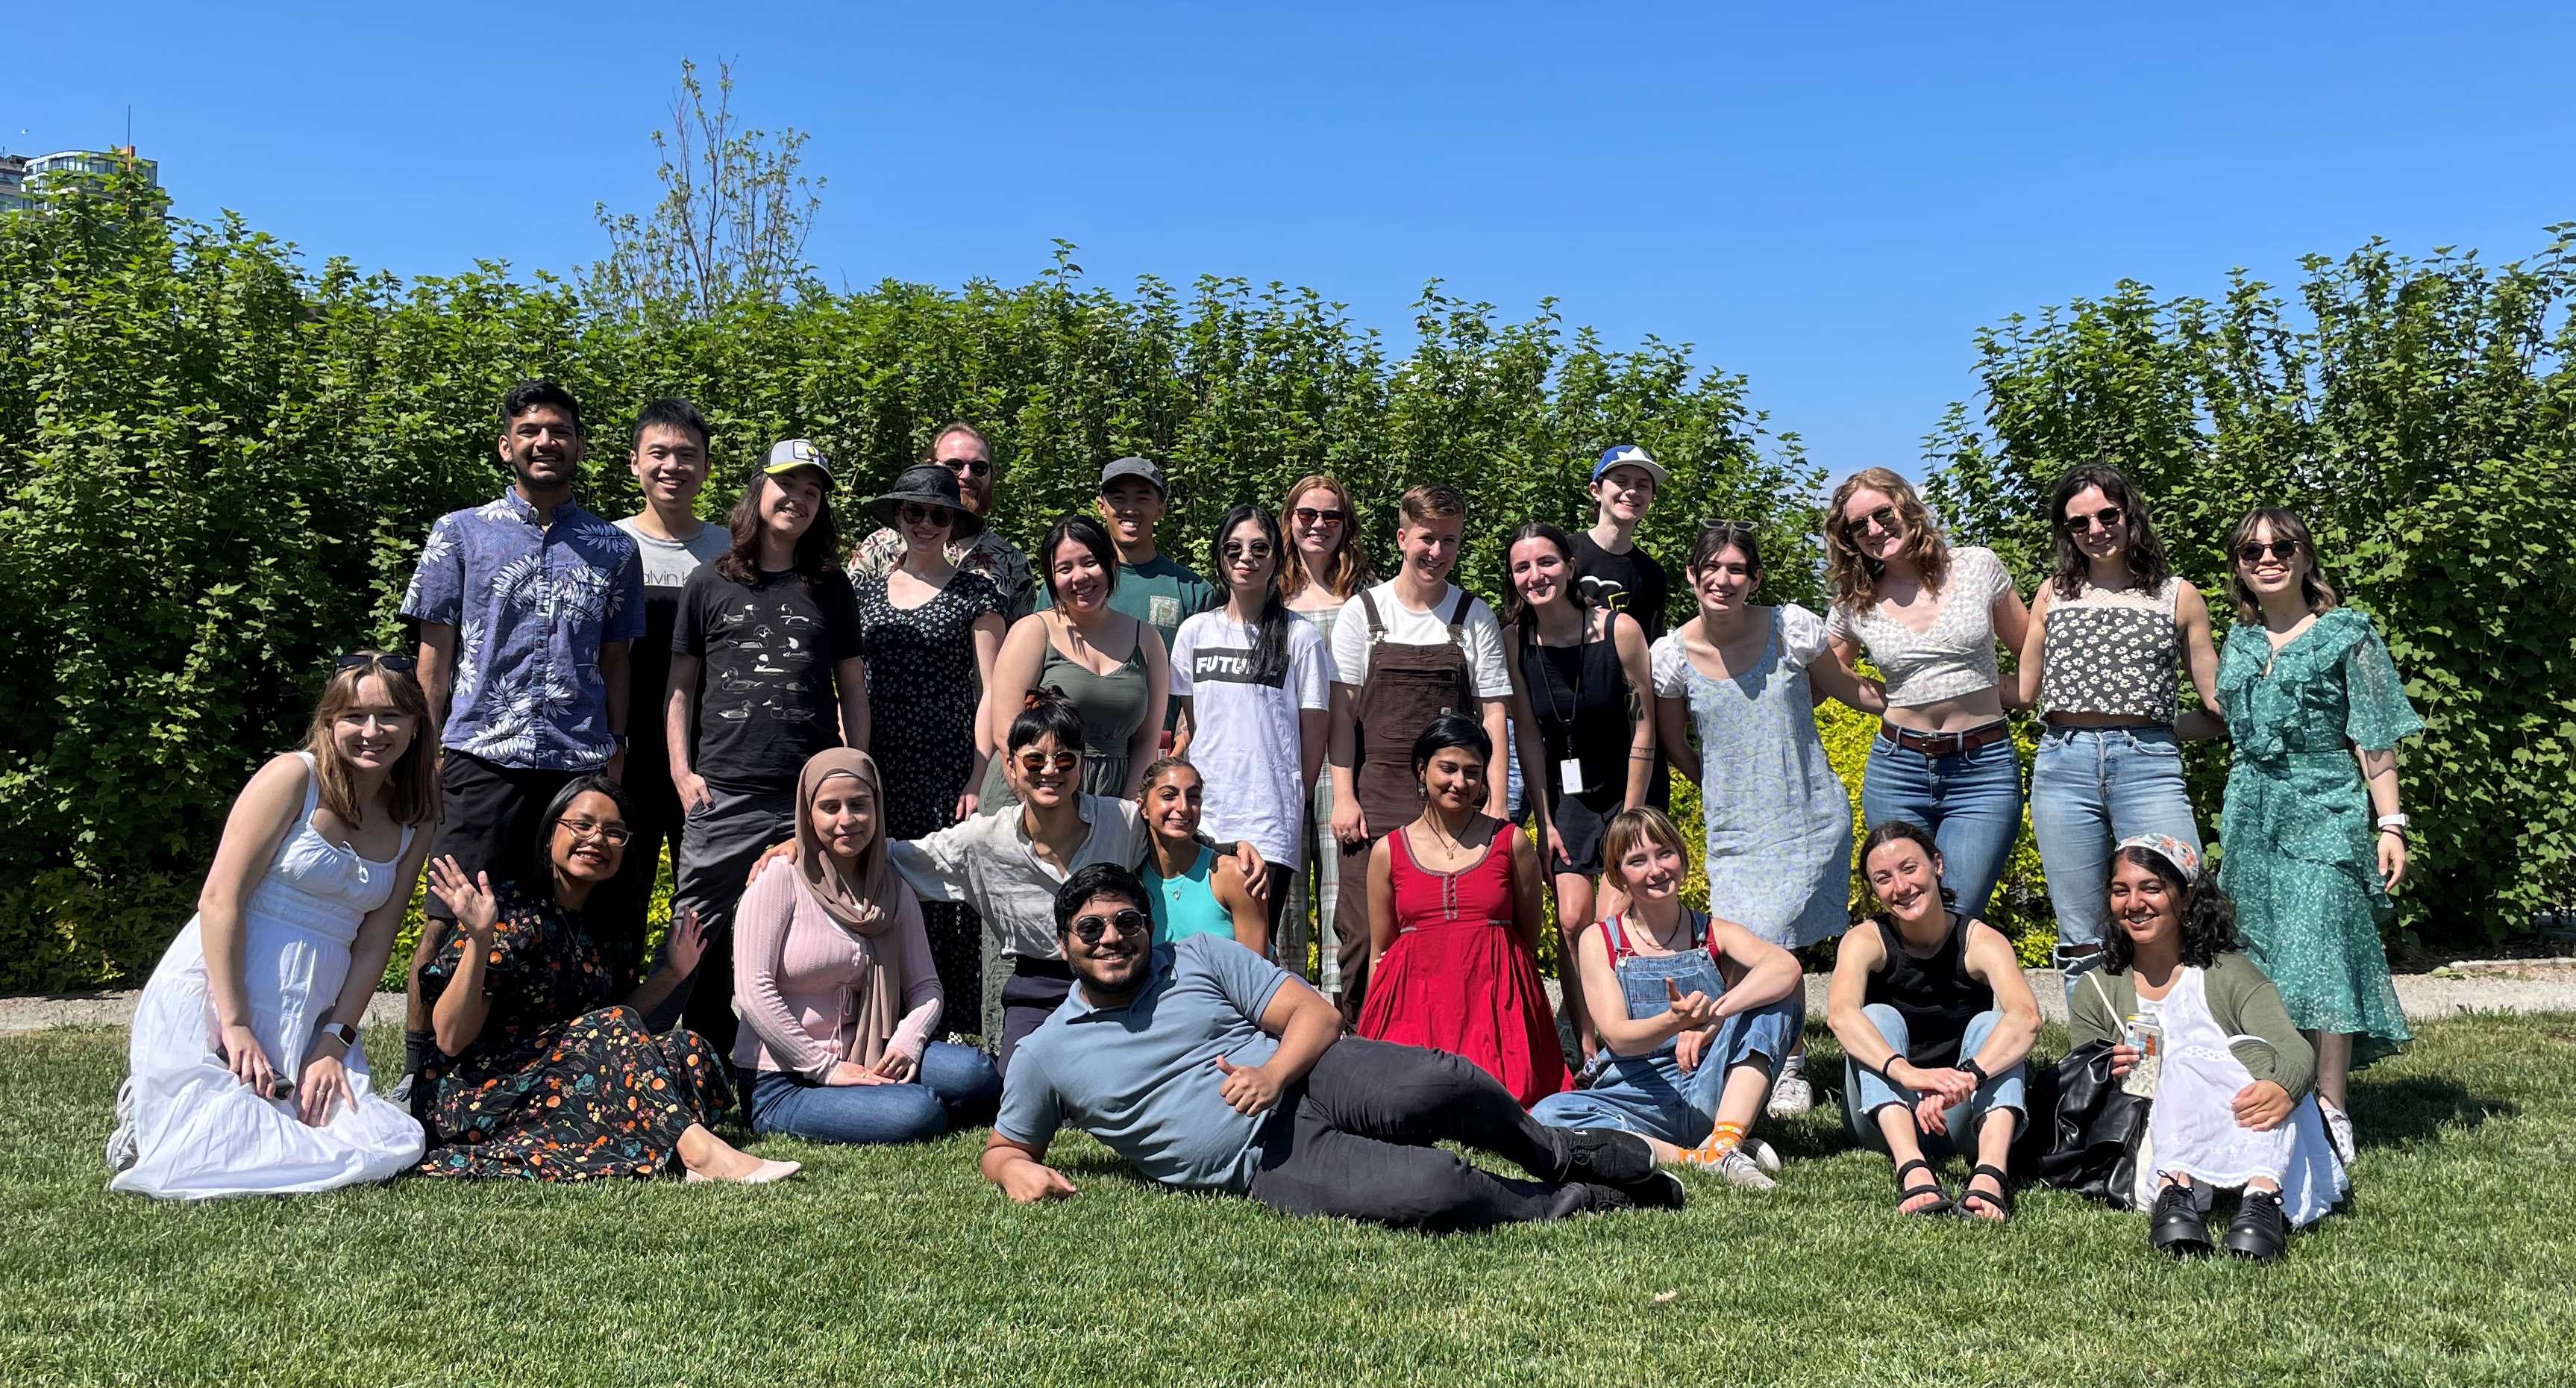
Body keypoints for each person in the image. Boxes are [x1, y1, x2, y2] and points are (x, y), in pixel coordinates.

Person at [980, 863, 1687, 1228]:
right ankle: (1565, 1202)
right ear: (1064, 943)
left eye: (1126, 920)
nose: (1111, 938)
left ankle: (1559, 1150)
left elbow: (1314, 1014)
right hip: (1261, 1160)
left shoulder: (1194, 955)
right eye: (1090, 929)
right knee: (1430, 1188)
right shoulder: (1047, 1052)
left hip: (1317, 1072)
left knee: (1440, 1083)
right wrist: (1015, 1172)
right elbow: (1005, 1147)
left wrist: (1272, 1073)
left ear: (1147, 924)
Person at [397, 380, 644, 1105]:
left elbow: (617, 660)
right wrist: (427, 749)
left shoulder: (612, 547)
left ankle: (567, 1073)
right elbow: (433, 658)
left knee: (577, 932)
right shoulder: (459, 533)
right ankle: (421, 1080)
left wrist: (617, 747)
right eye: (530, 430)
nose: (545, 441)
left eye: (560, 431)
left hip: (576, 766)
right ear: (507, 445)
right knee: (446, 925)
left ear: (581, 447)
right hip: (482, 758)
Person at [107, 654, 435, 1198]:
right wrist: (234, 1026)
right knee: (218, 1151)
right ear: (330, 722)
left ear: (415, 724)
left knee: (389, 1140)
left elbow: (377, 937)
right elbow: (220, 899)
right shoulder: (292, 777)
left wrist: (335, 1041)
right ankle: (155, 1106)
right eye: (355, 716)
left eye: (390, 716)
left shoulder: (417, 813)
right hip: (222, 994)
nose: (372, 732)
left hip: (313, 1013)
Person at [415, 777, 795, 1183]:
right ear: (549, 834)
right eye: (581, 825)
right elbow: (450, 1038)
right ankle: (698, 1154)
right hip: (485, 1091)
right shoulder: (507, 911)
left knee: (689, 1049)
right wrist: (479, 939)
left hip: (564, 1079)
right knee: (617, 1029)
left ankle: (651, 1144)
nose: (596, 839)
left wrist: (673, 974)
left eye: (614, 833)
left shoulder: (607, 927)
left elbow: (613, 1030)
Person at [884, 690, 1263, 1071]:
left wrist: (1233, 848)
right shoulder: (981, 841)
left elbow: (1173, 834)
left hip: (1114, 979)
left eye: (1065, 759)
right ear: (1011, 767)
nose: (1050, 771)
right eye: (1035, 759)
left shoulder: (1121, 821)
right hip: (1038, 986)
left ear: (1081, 765)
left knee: (1118, 1080)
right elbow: (897, 861)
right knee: (1023, 1082)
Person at [1651, 521, 1883, 1115]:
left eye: (1735, 569)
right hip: (1735, 832)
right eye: (1711, 567)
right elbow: (1674, 742)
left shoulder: (1792, 629)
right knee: (1741, 950)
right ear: (1691, 575)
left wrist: (1921, 700)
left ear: (1754, 578)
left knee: (1770, 943)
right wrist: (1719, 786)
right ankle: (1758, 1057)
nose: (1722, 579)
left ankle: (1786, 1067)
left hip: (1807, 817)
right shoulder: (1671, 655)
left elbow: (1844, 688)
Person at [2213, 507, 2422, 1164]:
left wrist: (2389, 823)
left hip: (2326, 807)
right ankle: (2277, 1091)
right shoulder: (2238, 641)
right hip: (2249, 814)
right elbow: (2226, 726)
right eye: (2251, 552)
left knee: (2323, 951)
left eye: (2281, 547)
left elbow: (2373, 734)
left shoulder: (2346, 634)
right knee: (2262, 955)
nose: (2266, 558)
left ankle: (2329, 1108)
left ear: (2305, 557)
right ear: (2239, 569)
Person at [665, 439, 870, 1059]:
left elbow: (853, 689)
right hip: (722, 791)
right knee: (691, 936)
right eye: (788, 485)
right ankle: (646, 1058)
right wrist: (681, 771)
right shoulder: (709, 582)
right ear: (759, 491)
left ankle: (798, 1060)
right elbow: (680, 687)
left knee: (814, 931)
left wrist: (854, 777)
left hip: (806, 800)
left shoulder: (830, 588)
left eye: (813, 492)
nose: (799, 500)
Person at [2069, 835, 2346, 1259]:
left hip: (2242, 1111)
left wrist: (2283, 1089)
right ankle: (2175, 1190)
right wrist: (2107, 1068)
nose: (2134, 904)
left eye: (2152, 888)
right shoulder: (2098, 987)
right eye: (2121, 891)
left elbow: (2293, 1051)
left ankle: (2261, 1198)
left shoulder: (2229, 973)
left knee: (2251, 1058)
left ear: (2186, 897)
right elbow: (2077, 1081)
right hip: (2153, 1129)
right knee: (2183, 1060)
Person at [2017, 462, 2224, 998]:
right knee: (2082, 929)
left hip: (2148, 765)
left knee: (2180, 904)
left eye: (2107, 515)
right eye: (2078, 522)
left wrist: (2154, 730)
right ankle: (2096, 1061)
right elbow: (2021, 691)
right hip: (2063, 765)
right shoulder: (2051, 594)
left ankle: (2182, 1051)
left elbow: (2217, 705)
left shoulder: (2178, 595)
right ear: (2065, 532)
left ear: (2129, 515)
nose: (2095, 529)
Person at [731, 749, 1002, 1145]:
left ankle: (885, 1099)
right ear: (807, 814)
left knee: (976, 1074)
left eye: (859, 804)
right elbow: (753, 991)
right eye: (829, 807)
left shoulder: (891, 889)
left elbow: (925, 987)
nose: (846, 820)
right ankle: (891, 1104)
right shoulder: (779, 879)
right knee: (918, 1112)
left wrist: (909, 1040)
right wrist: (825, 1068)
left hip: (871, 1051)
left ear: (877, 808)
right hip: (784, 1081)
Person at [1531, 809, 1804, 1190]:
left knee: (1779, 997)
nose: (1656, 870)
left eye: (1665, 854)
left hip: (1711, 1088)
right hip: (1635, 1096)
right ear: (1617, 875)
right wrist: (1674, 1023)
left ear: (1682, 858)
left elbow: (1786, 967)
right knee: (1548, 1114)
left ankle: (1724, 1139)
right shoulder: (1601, 940)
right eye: (1637, 861)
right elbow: (1619, 1037)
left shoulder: (1712, 931)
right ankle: (1706, 1155)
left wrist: (1713, 1018)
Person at [1327, 482, 1514, 1019]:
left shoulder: (1472, 616)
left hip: (1456, 804)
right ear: (1402, 537)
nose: (1437, 553)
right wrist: (1344, 796)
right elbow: (1342, 714)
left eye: (1450, 541)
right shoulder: (1362, 613)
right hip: (1377, 796)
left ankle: (1447, 1050)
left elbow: (1494, 715)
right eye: (1427, 539)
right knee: (1364, 936)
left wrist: (1495, 802)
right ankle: (1358, 1047)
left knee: (1447, 934)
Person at [1823, 466, 2031, 923]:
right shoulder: (1856, 598)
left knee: (1955, 906)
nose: (1874, 530)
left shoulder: (1977, 566)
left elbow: (2030, 650)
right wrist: (1888, 698)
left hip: (1983, 771)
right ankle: (1903, 999)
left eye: (1882, 513)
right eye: (1859, 526)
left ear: (1908, 507)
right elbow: (1826, 675)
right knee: (1907, 911)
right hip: (1897, 770)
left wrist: (1993, 692)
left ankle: (1963, 995)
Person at [850, 463, 1009, 1016]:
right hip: (881, 767)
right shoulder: (864, 593)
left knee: (945, 897)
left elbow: (993, 691)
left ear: (953, 521)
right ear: (898, 516)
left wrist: (978, 775)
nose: (924, 523)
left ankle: (949, 1026)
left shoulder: (977, 593)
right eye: (913, 511)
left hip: (948, 768)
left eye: (937, 514)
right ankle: (879, 1018)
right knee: (880, 888)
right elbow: (850, 685)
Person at [1826, 820, 2042, 1222]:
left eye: (1910, 868)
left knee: (1997, 1024)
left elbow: (2027, 1018)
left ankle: (1990, 1174)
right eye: (1883, 878)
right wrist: (1907, 1074)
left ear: (1936, 865)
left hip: (1961, 1112)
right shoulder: (1865, 940)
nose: (1901, 887)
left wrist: (1968, 1078)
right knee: (1876, 1016)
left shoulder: (1980, 940)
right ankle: (1912, 1168)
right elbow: (1840, 1016)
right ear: (1874, 890)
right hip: (1882, 1115)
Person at [1500, 520, 1654, 1056]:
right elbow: (1526, 733)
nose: (1535, 575)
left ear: (1569, 567)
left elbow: (1644, 723)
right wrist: (1543, 823)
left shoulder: (1619, 630)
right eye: (1522, 567)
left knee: (1611, 923)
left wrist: (1631, 820)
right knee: (1570, 921)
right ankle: (1584, 1046)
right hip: (1566, 799)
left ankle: (1621, 1039)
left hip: (1624, 793)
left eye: (1545, 563)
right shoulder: (1515, 640)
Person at [1358, 715, 1567, 1107]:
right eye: (1448, 769)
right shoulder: (1388, 851)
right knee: (1407, 1102)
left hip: (1495, 1008)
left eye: (1473, 772)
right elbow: (1381, 952)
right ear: (1422, 770)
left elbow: (1525, 938)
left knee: (1506, 1102)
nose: (1460, 782)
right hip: (1415, 1009)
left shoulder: (1511, 842)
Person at [1170, 503, 1332, 954]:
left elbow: (1314, 730)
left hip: (1266, 814)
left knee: (1252, 952)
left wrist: (1294, 799)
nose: (1247, 557)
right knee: (1198, 942)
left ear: (1277, 558)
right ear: (1220, 557)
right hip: (1202, 812)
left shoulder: (1299, 637)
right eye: (1234, 547)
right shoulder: (1194, 632)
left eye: (1260, 548)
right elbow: (1195, 720)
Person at [612, 396, 731, 977]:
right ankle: (605, 1037)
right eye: (658, 453)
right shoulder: (604, 546)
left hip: (709, 758)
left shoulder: (733, 553)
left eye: (688, 455)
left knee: (707, 904)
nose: (672, 467)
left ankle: (705, 1043)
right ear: (633, 462)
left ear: (707, 468)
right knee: (615, 897)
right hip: (620, 753)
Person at [976, 513, 1165, 810]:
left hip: (1110, 799)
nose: (1079, 577)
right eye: (1065, 569)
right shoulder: (1032, 632)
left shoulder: (1148, 639)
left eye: (1090, 562)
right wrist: (1041, 809)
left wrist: (1127, 811)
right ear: (1051, 579)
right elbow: (1005, 733)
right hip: (1030, 795)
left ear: (1111, 564)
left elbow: (1147, 741)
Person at [1278, 474, 1376, 995]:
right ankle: (1286, 1007)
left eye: (1331, 516)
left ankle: (1342, 1005)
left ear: (1346, 524)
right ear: (1288, 520)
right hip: (1281, 758)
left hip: (1348, 763)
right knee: (1282, 893)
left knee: (1344, 893)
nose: (1318, 525)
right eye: (1307, 514)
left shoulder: (1366, 595)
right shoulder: (1267, 590)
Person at [1036, 456, 1216, 738]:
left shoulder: (1194, 590)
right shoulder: (1067, 586)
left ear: (1161, 509)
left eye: (1142, 498)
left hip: (1156, 758)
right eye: (1118, 498)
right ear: (1101, 507)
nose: (1130, 509)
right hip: (1064, 758)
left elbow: (1203, 691)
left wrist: (1180, 748)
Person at [847, 422, 1038, 622]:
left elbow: (1022, 641)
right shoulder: (878, 548)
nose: (967, 475)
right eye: (954, 465)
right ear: (929, 466)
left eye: (979, 467)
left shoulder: (1012, 562)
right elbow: (841, 620)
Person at [1572, 444, 1676, 810]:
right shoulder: (1564, 557)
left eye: (1643, 485)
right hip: (1569, 725)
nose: (1632, 491)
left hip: (1628, 730)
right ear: (1596, 489)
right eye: (1621, 480)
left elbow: (1650, 660)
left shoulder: (1652, 575)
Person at [1135, 757, 1270, 951]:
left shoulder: (1235, 875)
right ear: (1143, 808)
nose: (1183, 807)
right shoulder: (1133, 880)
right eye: (1168, 796)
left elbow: (1257, 974)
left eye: (1193, 796)